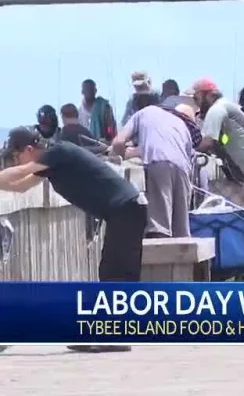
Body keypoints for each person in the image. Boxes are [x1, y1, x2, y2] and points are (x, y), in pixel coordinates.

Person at [0, 126, 146, 353]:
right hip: (123, 211)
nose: (15, 161)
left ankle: (116, 337)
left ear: (29, 149)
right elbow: (20, 187)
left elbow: (21, 173)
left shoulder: (59, 152)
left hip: (127, 209)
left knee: (116, 273)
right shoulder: (51, 164)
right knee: (111, 272)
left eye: (16, 156)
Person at [191, 78, 244, 215]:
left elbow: (208, 142)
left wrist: (187, 151)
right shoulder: (224, 106)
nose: (195, 103)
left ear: (207, 95)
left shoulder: (217, 109)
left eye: (196, 98)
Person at [112, 93, 194, 238]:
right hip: (183, 168)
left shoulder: (142, 113)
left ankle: (161, 258)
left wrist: (119, 156)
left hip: (159, 164)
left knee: (159, 227)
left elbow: (118, 142)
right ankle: (184, 260)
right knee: (181, 231)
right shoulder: (177, 120)